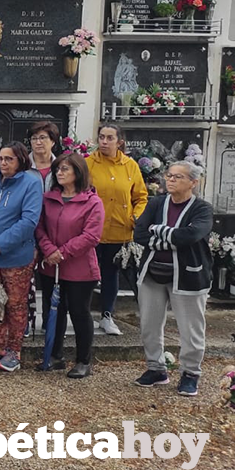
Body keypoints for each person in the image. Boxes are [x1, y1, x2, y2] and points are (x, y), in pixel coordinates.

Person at [132, 161, 213, 397]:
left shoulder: (202, 209)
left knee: (191, 328)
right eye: (169, 175)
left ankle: (190, 373)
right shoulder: (156, 203)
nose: (171, 180)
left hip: (188, 276)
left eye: (178, 177)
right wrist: (168, 236)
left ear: (193, 183)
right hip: (153, 273)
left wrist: (158, 232)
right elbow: (139, 233)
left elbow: (192, 235)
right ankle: (156, 368)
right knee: (149, 324)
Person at [0, 142, 42, 373]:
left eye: (9, 159)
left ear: (21, 160)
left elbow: (28, 221)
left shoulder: (31, 183)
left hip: (15, 257)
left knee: (15, 303)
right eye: (1, 158)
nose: (3, 163)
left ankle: (14, 350)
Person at [34, 153, 104, 378]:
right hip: (50, 267)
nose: (59, 173)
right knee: (54, 311)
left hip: (79, 270)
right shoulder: (48, 198)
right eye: (58, 169)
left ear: (78, 173)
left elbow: (91, 236)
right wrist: (48, 250)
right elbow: (39, 227)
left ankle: (84, 360)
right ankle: (55, 356)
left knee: (79, 312)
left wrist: (61, 253)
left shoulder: (92, 202)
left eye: (65, 169)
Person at [87, 124, 148, 336]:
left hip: (119, 230)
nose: (104, 141)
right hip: (92, 232)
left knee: (110, 275)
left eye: (109, 138)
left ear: (119, 141)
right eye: (101, 137)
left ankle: (107, 315)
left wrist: (135, 217)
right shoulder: (88, 164)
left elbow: (140, 197)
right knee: (86, 275)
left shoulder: (130, 166)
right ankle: (82, 315)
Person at [28, 121, 60, 189]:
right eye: (34, 138)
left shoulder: (59, 166)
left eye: (42, 138)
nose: (38, 142)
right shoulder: (23, 166)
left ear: (53, 141)